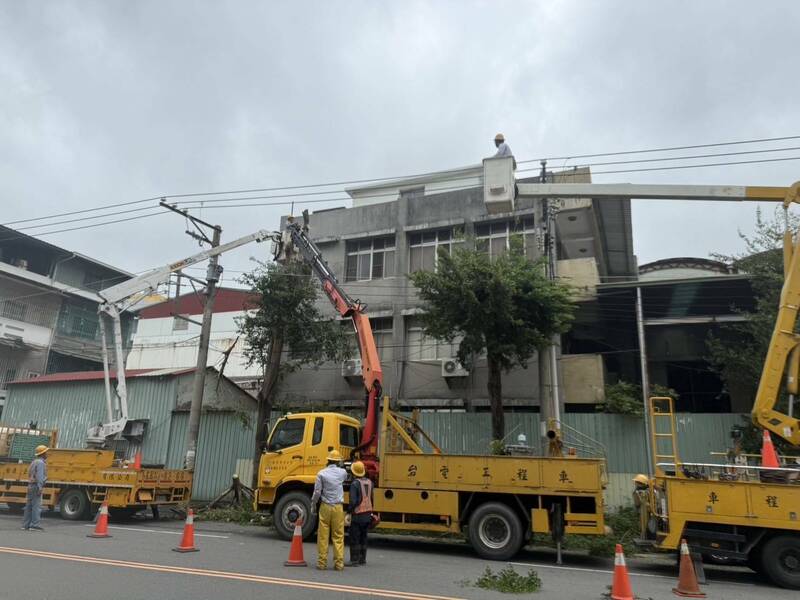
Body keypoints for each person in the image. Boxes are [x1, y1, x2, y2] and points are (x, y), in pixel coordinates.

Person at [311, 450, 347, 571]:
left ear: (328, 460)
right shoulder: (342, 473)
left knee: (323, 536)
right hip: (338, 507)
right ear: (338, 462)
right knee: (338, 536)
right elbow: (344, 475)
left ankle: (322, 563)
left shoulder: (321, 473)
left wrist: (313, 504)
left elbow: (317, 492)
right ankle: (339, 564)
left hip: (325, 506)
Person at [347, 461, 374, 566]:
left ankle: (354, 560)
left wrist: (349, 511)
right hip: (367, 514)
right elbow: (372, 499)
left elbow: (353, 501)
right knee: (364, 537)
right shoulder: (370, 482)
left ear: (354, 472)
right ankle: (362, 559)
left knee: (355, 538)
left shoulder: (355, 484)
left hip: (358, 515)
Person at [22, 445, 48, 531]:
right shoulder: (41, 463)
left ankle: (25, 525)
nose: (47, 454)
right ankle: (34, 525)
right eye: (46, 452)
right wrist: (40, 487)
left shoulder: (33, 462)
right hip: (36, 486)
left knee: (29, 506)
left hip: (31, 485)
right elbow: (40, 476)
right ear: (43, 453)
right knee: (36, 506)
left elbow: (29, 473)